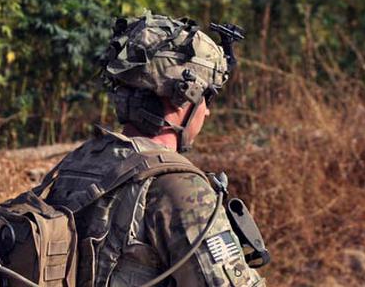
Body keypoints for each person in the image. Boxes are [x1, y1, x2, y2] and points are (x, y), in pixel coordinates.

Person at [40, 14, 268, 286]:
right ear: (186, 97)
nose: (206, 112)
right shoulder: (181, 188)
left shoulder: (80, 160)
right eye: (207, 97)